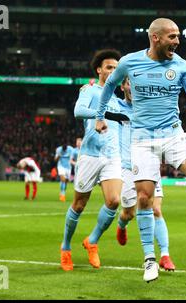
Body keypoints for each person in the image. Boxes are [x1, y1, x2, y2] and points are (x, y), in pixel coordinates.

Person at [95, 18, 186, 282]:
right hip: (142, 138)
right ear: (156, 38)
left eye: (178, 36)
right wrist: (99, 116)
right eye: (172, 37)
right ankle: (149, 259)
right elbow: (109, 86)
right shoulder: (130, 62)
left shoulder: (180, 65)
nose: (177, 41)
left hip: (173, 134)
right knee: (144, 198)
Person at [60, 49, 129, 272]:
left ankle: (92, 241)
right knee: (79, 205)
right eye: (109, 67)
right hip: (90, 155)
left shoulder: (119, 101)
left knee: (114, 201)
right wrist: (104, 116)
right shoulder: (90, 90)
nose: (113, 71)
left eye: (116, 68)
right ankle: (66, 247)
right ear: (99, 70)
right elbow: (78, 111)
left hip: (113, 157)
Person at [116, 77, 176, 271]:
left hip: (149, 163)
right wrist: (91, 88)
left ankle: (165, 255)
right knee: (129, 213)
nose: (132, 87)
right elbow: (95, 103)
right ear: (122, 86)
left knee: (156, 209)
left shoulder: (151, 108)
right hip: (127, 167)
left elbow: (170, 127)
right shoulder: (116, 106)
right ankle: (122, 224)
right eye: (128, 83)